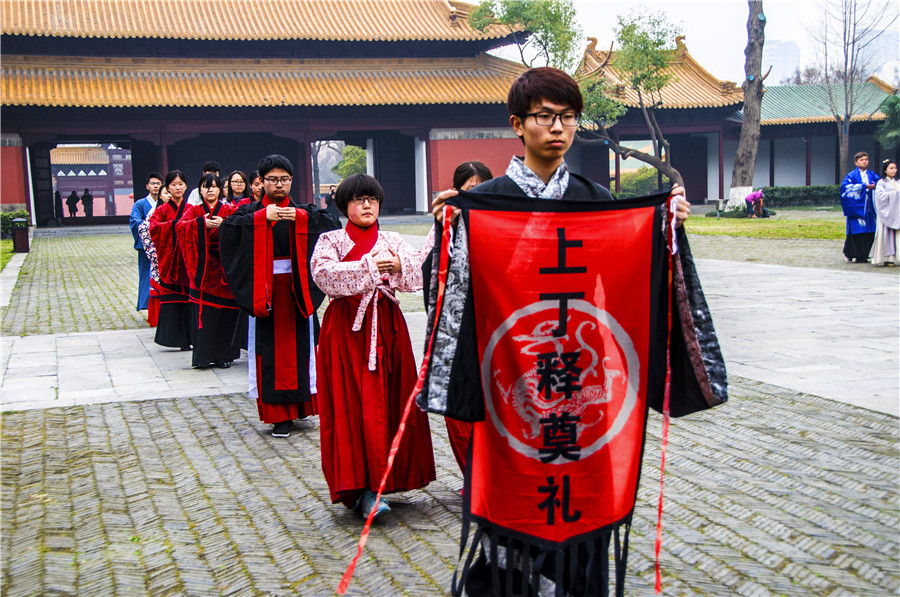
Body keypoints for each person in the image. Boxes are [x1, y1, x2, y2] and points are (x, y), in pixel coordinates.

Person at [426, 67, 692, 597]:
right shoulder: (487, 202)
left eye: (567, 118)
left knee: (578, 493)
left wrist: (663, 226)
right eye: (544, 117)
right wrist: (453, 230)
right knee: (517, 495)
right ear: (517, 125)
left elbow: (626, 284)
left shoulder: (597, 199)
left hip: (579, 378)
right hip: (514, 377)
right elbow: (459, 300)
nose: (557, 128)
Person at [311, 174, 436, 520]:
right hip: (347, 331)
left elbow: (415, 270)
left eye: (372, 199)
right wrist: (369, 267)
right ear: (344, 205)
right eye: (358, 199)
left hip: (388, 327)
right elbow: (324, 275)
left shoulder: (393, 238)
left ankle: (387, 479)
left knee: (390, 401)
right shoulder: (330, 240)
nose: (366, 205)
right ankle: (361, 486)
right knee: (353, 405)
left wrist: (398, 264)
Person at [219, 154, 340, 438]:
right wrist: (261, 219)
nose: (278, 185)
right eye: (272, 180)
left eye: (284, 180)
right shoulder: (248, 213)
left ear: (291, 181)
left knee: (303, 352)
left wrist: (300, 219)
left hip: (298, 291)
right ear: (260, 182)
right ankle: (278, 416)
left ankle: (301, 408)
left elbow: (331, 226)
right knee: (270, 354)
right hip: (265, 292)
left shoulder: (304, 211)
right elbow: (228, 234)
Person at [444, 161, 493, 477]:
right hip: (456, 326)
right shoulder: (444, 226)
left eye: (481, 188)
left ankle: (494, 474)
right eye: (467, 189)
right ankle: (473, 473)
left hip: (494, 323)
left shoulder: (506, 223)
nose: (473, 195)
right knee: (456, 402)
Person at [176, 173, 242, 368]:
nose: (210, 190)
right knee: (205, 314)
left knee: (224, 314)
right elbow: (180, 227)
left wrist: (225, 224)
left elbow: (241, 225)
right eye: (206, 187)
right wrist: (199, 224)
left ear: (220, 190)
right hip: (202, 269)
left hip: (224, 268)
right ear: (200, 190)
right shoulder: (193, 211)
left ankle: (224, 356)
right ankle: (203, 356)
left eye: (214, 186)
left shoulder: (230, 210)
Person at [149, 170, 193, 351]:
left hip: (187, 261)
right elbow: (153, 229)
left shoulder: (191, 209)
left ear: (185, 186)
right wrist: (175, 225)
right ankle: (174, 339)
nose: (177, 187)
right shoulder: (161, 210)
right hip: (170, 260)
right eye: (173, 184)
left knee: (190, 300)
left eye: (180, 184)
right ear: (167, 188)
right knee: (173, 300)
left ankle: (190, 337)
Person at [130, 172, 163, 311]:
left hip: (163, 247)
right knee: (147, 275)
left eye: (158, 184)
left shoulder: (164, 203)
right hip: (147, 248)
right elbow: (135, 222)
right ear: (147, 186)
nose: (155, 186)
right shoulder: (140, 204)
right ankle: (147, 305)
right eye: (153, 183)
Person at [138, 185, 171, 326]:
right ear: (161, 196)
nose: (169, 195)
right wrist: (155, 253)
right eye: (166, 192)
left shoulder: (185, 209)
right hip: (160, 256)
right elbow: (144, 230)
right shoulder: (155, 212)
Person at [840, 152, 880, 263]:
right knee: (857, 230)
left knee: (870, 230)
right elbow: (845, 188)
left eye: (866, 159)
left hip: (869, 208)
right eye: (862, 159)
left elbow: (880, 184)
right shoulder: (851, 176)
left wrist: (875, 186)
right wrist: (863, 186)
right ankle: (854, 253)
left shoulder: (872, 175)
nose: (864, 161)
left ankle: (867, 254)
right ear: (856, 162)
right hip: (857, 208)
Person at [871, 159, 899, 267]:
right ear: (885, 170)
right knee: (885, 235)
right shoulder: (881, 183)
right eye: (891, 168)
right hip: (885, 213)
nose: (894, 170)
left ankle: (896, 256)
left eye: (895, 168)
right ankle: (887, 258)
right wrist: (895, 194)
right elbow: (880, 197)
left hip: (896, 213)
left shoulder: (898, 182)